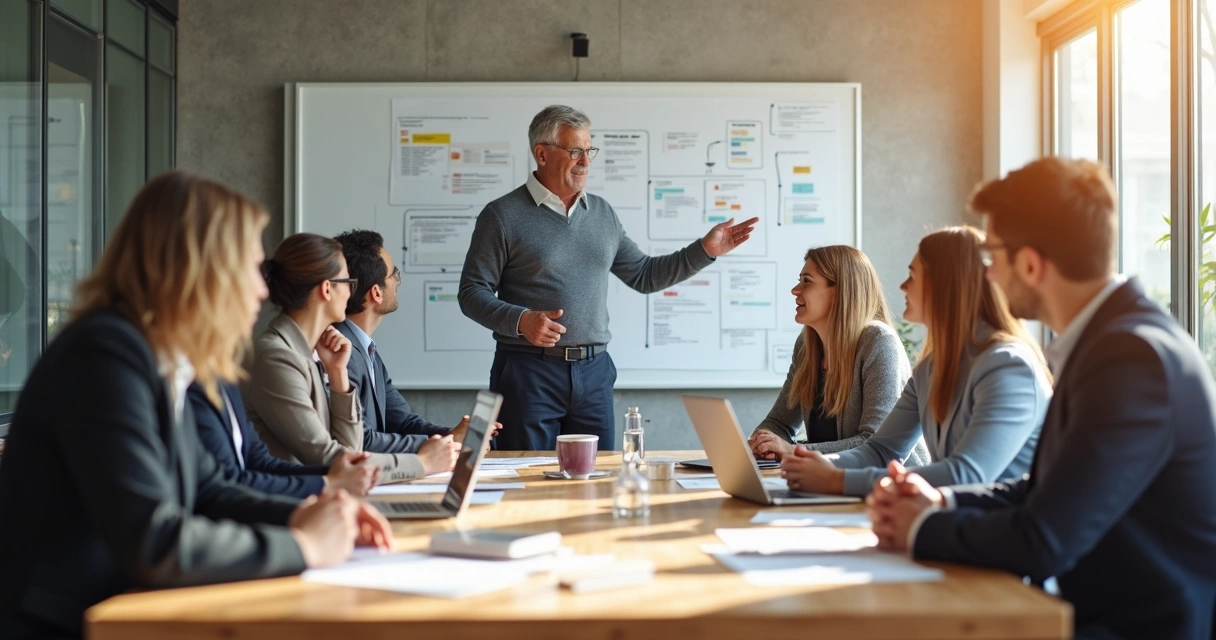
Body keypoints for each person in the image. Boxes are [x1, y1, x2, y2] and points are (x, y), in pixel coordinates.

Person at [0, 172, 391, 639]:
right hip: (69, 624)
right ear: (198, 269)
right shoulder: (104, 356)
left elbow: (208, 487)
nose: (262, 290)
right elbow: (155, 540)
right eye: (249, 269)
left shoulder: (157, 355)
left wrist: (312, 511)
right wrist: (304, 544)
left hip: (126, 609)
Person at [868, 158, 1216, 639]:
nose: (985, 275)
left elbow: (1044, 538)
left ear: (1030, 264)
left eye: (991, 257)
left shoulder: (1131, 358)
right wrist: (941, 500)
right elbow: (1045, 489)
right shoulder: (1109, 340)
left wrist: (921, 527)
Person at [458, 104, 758, 450]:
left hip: (594, 373)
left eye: (589, 150)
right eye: (574, 151)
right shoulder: (502, 216)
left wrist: (704, 251)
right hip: (528, 373)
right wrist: (521, 320)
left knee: (598, 481)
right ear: (541, 153)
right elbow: (472, 291)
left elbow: (644, 275)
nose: (585, 161)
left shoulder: (601, 213)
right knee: (527, 476)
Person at [779, 227, 1050, 497]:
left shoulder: (1008, 366)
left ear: (944, 284)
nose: (902, 286)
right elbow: (881, 450)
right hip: (957, 522)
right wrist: (815, 463)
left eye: (912, 275)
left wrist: (836, 480)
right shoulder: (931, 367)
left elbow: (964, 475)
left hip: (1005, 533)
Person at [244, 233, 459, 483]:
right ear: (327, 289)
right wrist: (422, 463)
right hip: (293, 507)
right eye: (348, 283)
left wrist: (338, 375)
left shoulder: (314, 351)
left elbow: (351, 449)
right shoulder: (277, 357)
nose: (351, 294)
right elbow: (329, 458)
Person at [747, 245, 928, 465]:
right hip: (831, 482)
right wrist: (763, 442)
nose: (795, 290)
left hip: (890, 486)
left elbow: (874, 444)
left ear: (841, 291)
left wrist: (793, 450)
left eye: (807, 281)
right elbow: (779, 423)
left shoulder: (879, 341)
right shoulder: (807, 345)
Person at [332, 230, 500, 453]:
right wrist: (446, 443)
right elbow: (361, 441)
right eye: (394, 275)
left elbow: (403, 422)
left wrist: (452, 436)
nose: (398, 282)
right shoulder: (340, 352)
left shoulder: (366, 349)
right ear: (376, 293)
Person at [187, 380, 380, 498]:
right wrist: (328, 482)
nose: (255, 310)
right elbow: (227, 484)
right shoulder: (275, 355)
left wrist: (335, 474)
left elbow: (260, 462)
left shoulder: (223, 379)